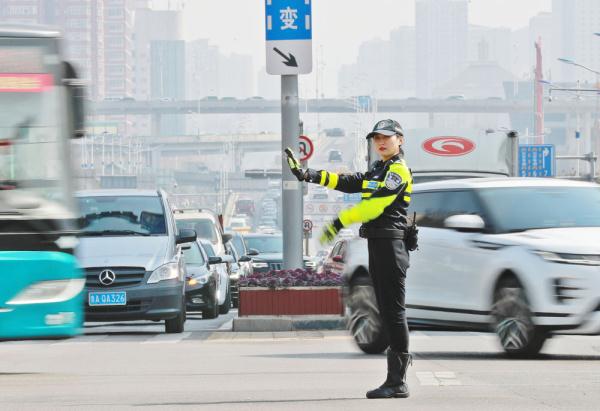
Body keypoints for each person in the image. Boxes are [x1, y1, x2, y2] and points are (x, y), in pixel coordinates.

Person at [285, 119, 413, 399]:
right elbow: (348, 182)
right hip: (378, 243)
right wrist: (309, 175)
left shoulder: (398, 171)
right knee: (387, 310)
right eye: (377, 138)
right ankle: (394, 379)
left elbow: (376, 205)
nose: (381, 142)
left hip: (391, 245)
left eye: (387, 138)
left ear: (400, 140)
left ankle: (397, 381)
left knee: (394, 312)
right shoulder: (379, 168)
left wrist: (340, 220)